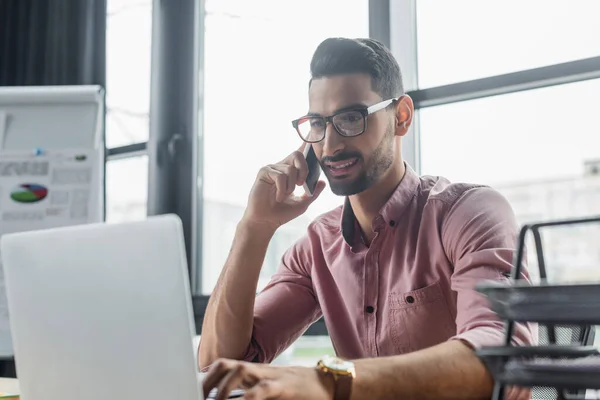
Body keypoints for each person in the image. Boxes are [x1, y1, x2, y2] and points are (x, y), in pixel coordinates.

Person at [198, 37, 536, 400]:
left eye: (350, 118)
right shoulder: (316, 248)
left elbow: (501, 358)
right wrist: (255, 226)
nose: (329, 145)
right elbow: (219, 367)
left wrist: (331, 380)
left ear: (401, 117)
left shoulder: (470, 213)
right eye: (318, 123)